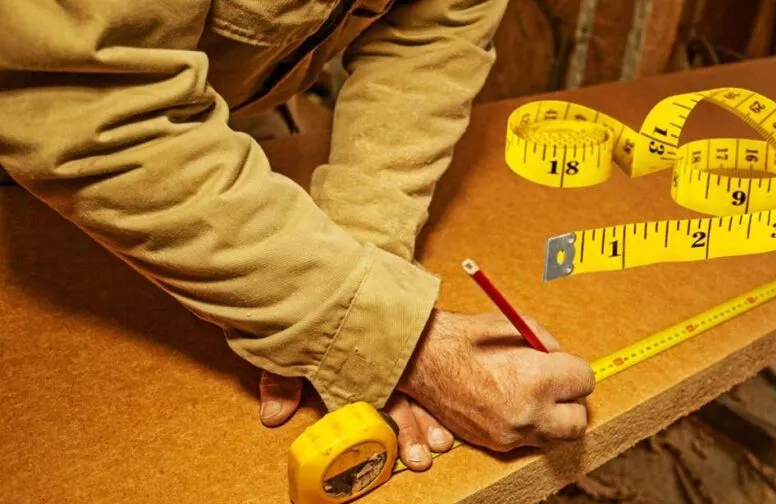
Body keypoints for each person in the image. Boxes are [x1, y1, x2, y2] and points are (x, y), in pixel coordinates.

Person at [0, 0, 596, 471]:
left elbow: (430, 36)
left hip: (203, 109)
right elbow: (89, 104)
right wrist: (403, 344)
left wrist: (359, 282)